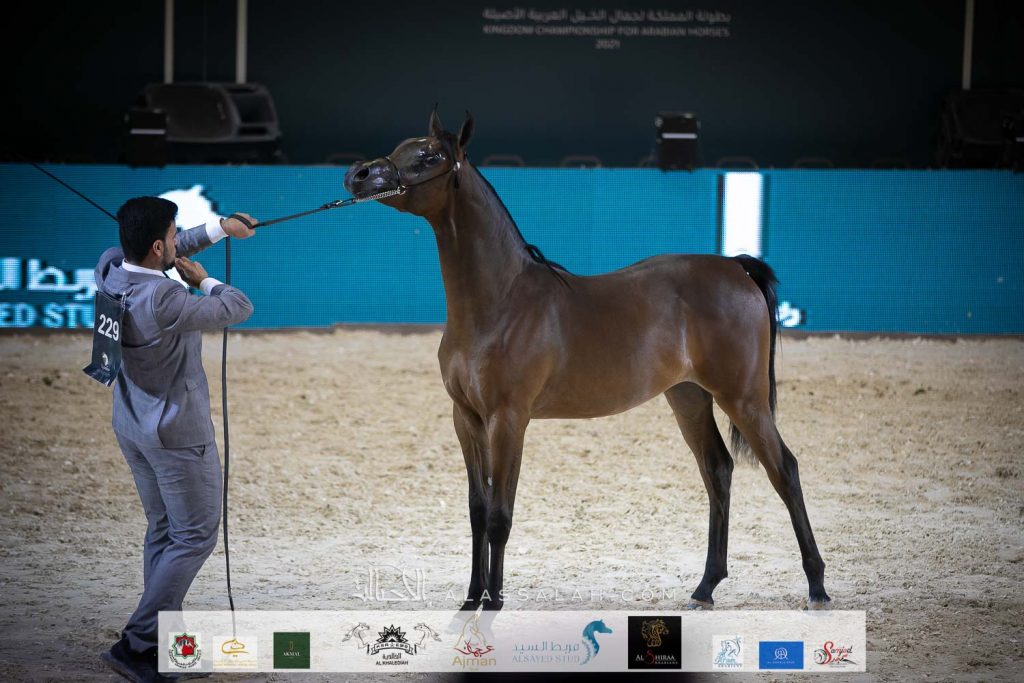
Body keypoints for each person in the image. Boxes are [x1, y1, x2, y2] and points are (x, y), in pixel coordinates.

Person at [94, 196, 256, 682]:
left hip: (133, 424)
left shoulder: (110, 267)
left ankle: (165, 645)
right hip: (177, 435)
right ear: (158, 247)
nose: (177, 240)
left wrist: (220, 228)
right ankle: (138, 642)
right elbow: (236, 307)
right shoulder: (163, 298)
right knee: (195, 536)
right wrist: (204, 280)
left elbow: (169, 246)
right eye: (172, 234)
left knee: (165, 531)